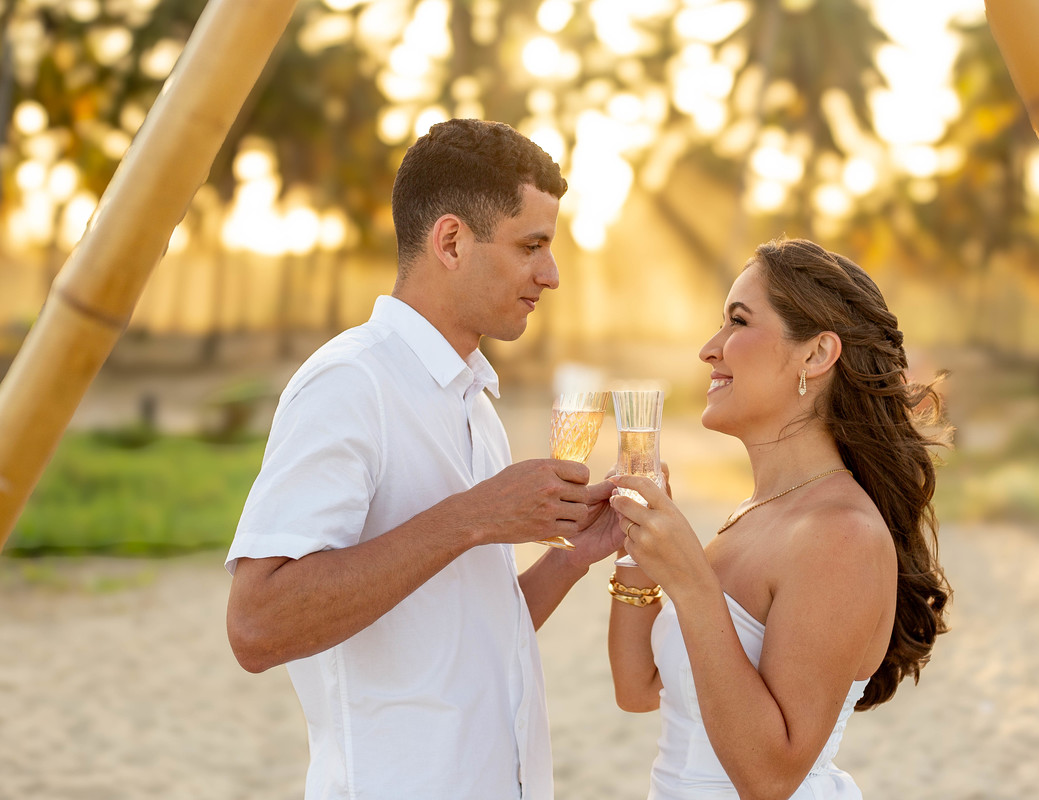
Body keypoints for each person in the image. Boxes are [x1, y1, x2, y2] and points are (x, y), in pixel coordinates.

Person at [225, 119, 623, 800]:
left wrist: (572, 557)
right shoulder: (351, 384)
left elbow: (472, 629)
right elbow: (256, 626)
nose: (550, 275)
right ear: (450, 241)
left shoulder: (474, 404)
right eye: (532, 245)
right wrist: (475, 516)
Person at [606, 238, 952, 799]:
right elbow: (639, 686)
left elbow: (770, 778)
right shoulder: (751, 516)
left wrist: (692, 581)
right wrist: (636, 551)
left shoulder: (842, 534)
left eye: (738, 322)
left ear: (816, 355)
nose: (709, 349)